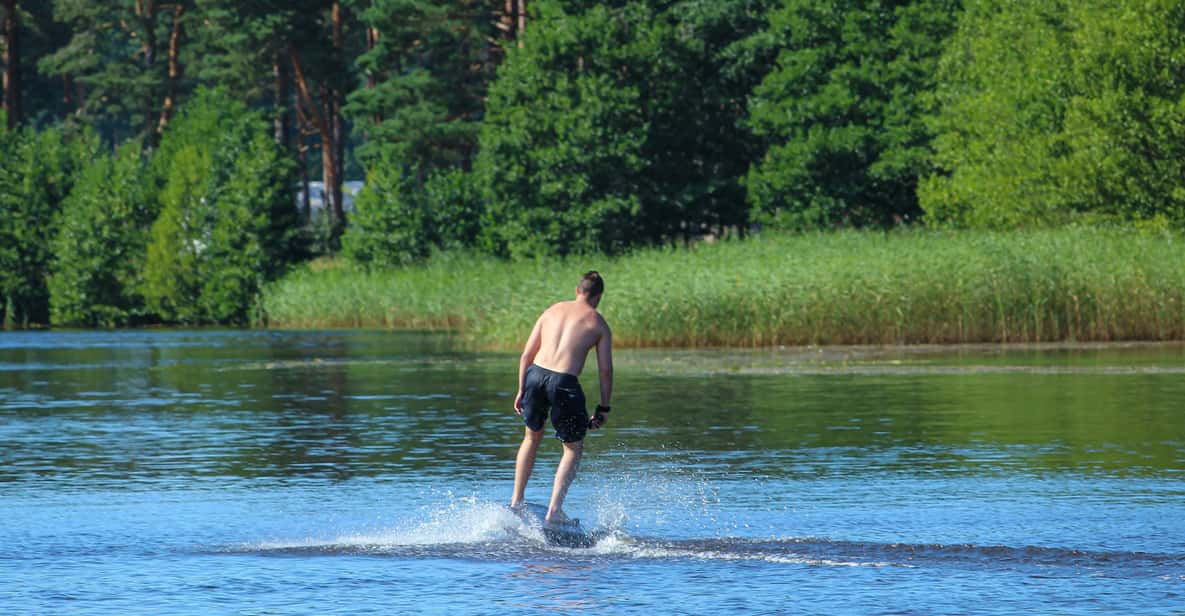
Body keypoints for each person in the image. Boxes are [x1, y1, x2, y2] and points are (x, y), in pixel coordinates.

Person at [510, 271, 613, 525]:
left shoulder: (552, 310)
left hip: (535, 375)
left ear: (577, 290)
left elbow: (526, 355)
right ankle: (554, 511)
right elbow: (605, 370)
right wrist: (604, 407)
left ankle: (516, 502)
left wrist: (521, 388)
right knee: (572, 448)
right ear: (598, 296)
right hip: (563, 383)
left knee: (531, 437)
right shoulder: (598, 323)